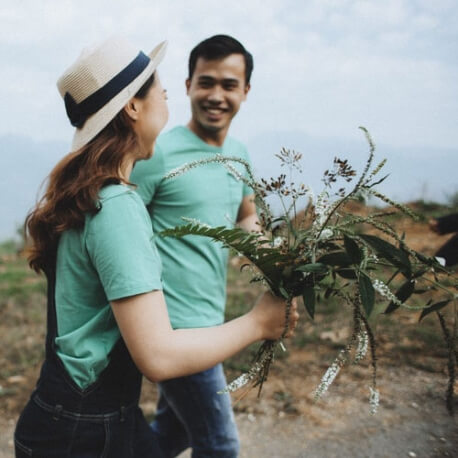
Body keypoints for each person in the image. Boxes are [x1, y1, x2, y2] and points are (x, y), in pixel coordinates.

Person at [14, 36, 298, 457]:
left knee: (169, 436)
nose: (166, 97)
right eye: (159, 89)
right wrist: (258, 323)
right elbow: (159, 357)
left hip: (89, 416)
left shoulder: (97, 194)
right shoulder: (117, 206)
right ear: (133, 107)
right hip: (83, 431)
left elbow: (244, 216)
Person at [130, 35, 259, 457]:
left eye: (228, 84)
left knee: (173, 434)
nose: (216, 95)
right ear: (187, 86)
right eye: (206, 82)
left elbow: (246, 215)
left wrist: (276, 259)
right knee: (220, 446)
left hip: (211, 325)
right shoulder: (158, 153)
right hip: (173, 330)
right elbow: (123, 227)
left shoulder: (239, 155)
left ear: (245, 91)